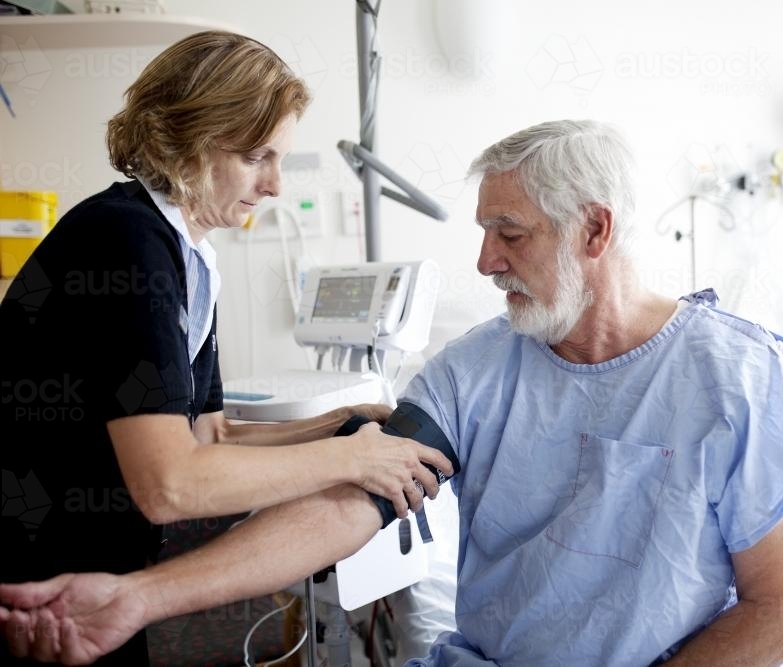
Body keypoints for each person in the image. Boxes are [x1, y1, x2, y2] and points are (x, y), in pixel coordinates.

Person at [0, 120, 783, 666]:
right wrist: (141, 598)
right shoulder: (478, 368)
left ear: (597, 229)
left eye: (511, 233)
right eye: (484, 232)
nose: (486, 261)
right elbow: (350, 503)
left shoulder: (739, 377)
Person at [0, 31, 451, 666]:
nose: (272, 184)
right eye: (254, 156)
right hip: (38, 581)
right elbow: (170, 484)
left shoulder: (191, 259)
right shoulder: (124, 243)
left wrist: (341, 429)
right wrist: (351, 463)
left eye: (279, 158)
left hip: (97, 570)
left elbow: (207, 436)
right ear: (184, 137)